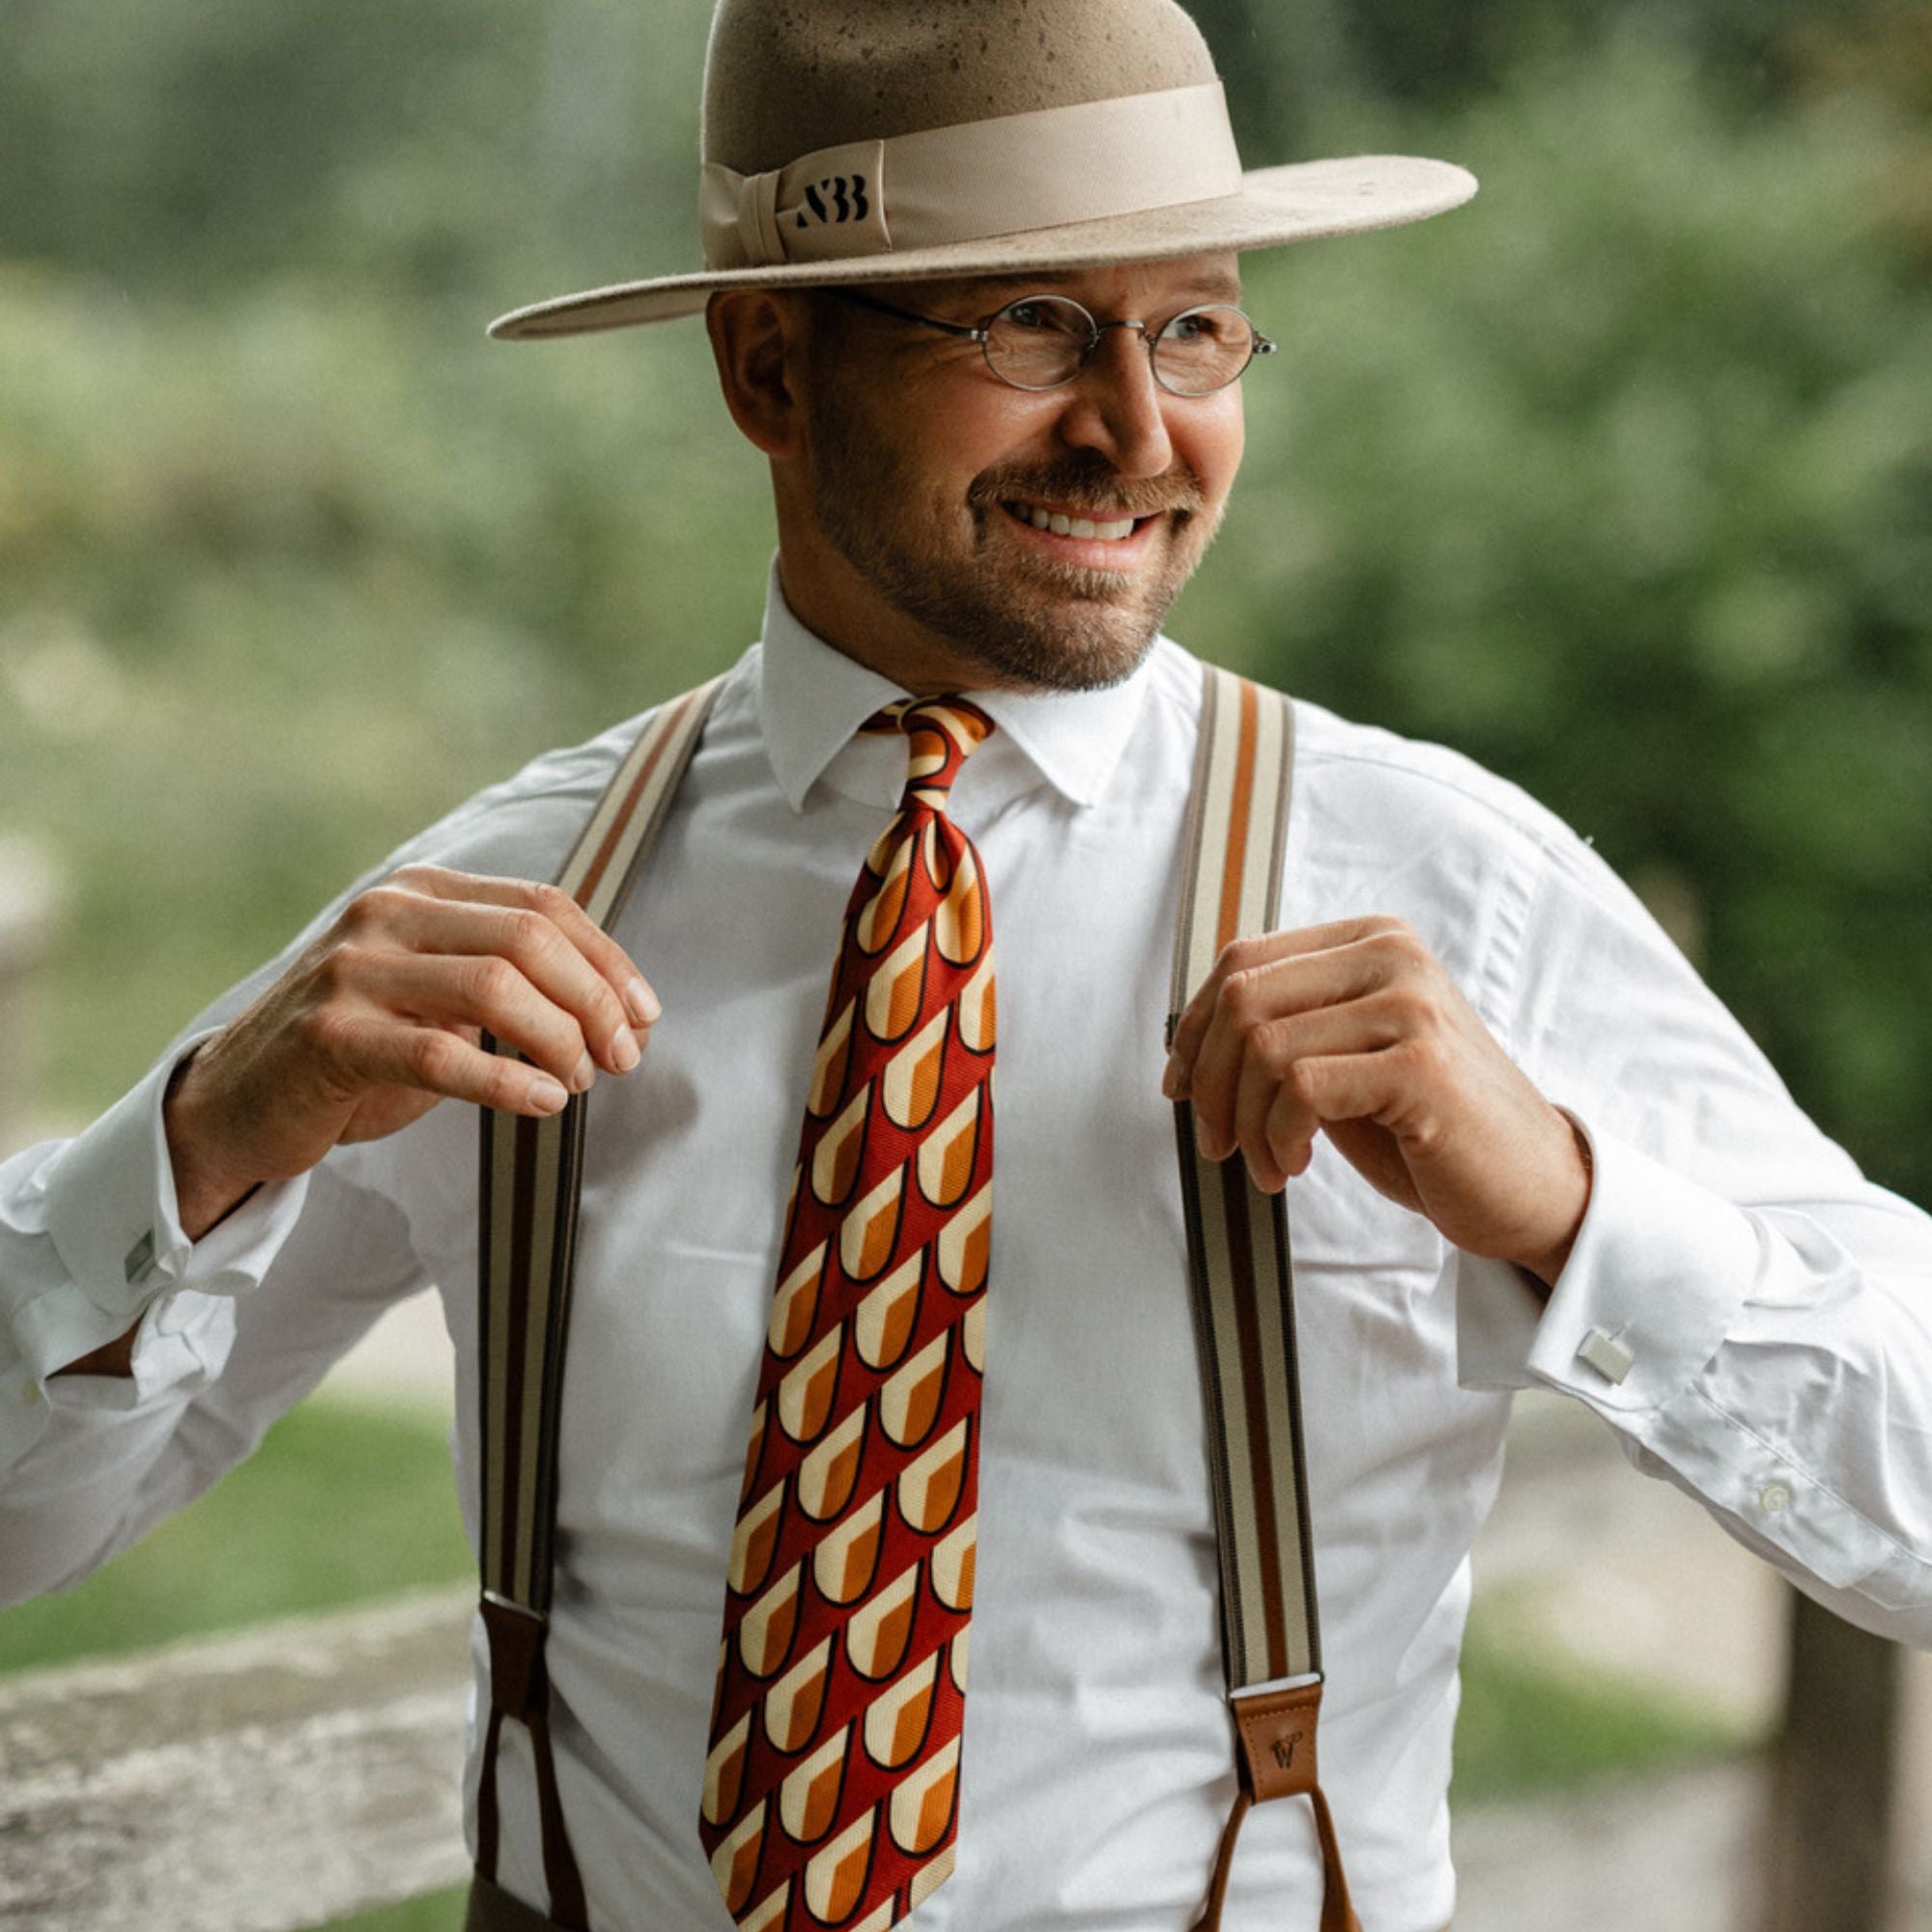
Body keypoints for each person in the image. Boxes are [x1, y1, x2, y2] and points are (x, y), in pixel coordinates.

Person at [3, 1, 1928, 1928]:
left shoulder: (1444, 887)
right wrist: (201, 1135)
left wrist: (1575, 1206)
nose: (1139, 427)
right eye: (1026, 323)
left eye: (1193, 323)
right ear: (767, 363)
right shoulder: (496, 905)